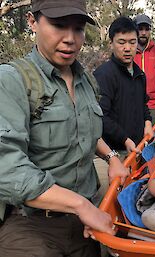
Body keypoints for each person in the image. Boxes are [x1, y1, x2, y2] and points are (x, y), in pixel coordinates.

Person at [0, 1, 129, 256]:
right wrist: (80, 205)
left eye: (78, 28)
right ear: (32, 22)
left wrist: (111, 157)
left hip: (84, 225)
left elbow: (85, 132)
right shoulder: (13, 80)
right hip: (32, 226)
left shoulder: (86, 81)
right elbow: (7, 167)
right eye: (58, 25)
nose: (70, 39)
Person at [93, 17, 154, 156]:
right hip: (113, 153)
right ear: (111, 44)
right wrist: (124, 139)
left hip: (138, 149)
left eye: (132, 42)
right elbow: (100, 117)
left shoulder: (140, 75)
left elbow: (143, 105)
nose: (127, 48)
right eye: (121, 42)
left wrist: (148, 123)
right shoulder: (104, 75)